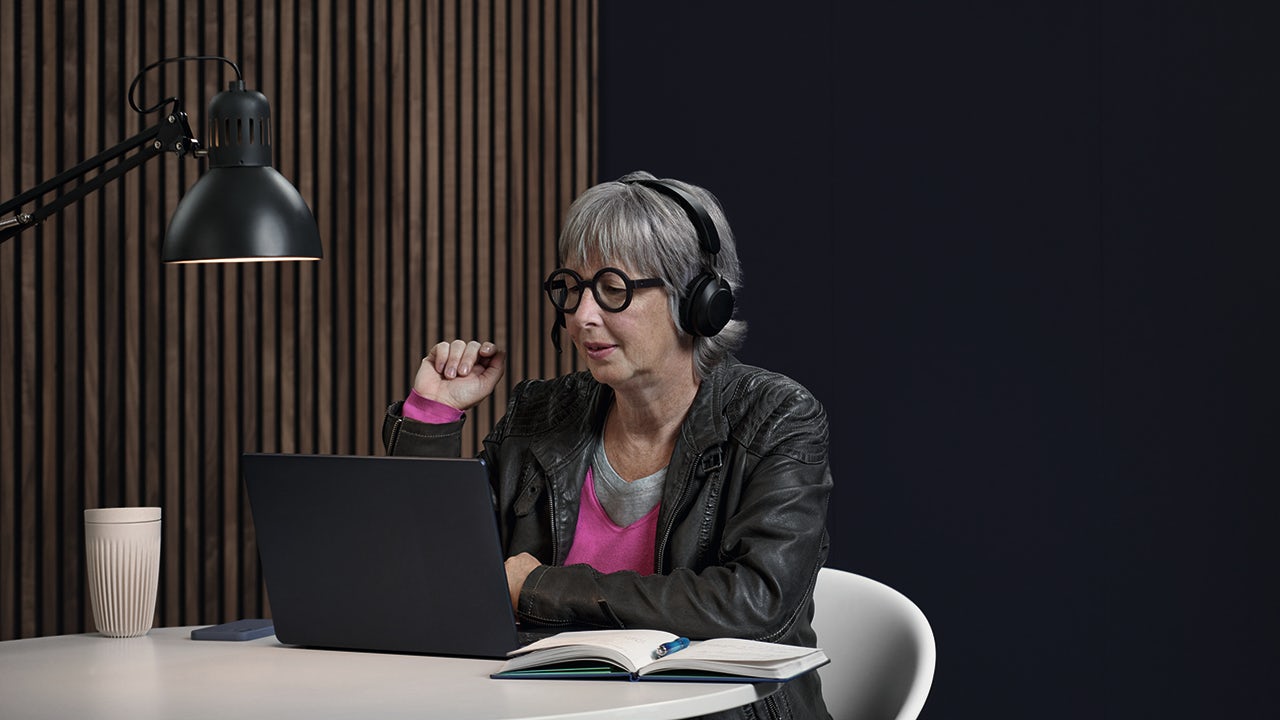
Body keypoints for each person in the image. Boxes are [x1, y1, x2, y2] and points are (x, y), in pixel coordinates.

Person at [382, 171, 833, 720]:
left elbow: (753, 604)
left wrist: (540, 587)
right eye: (571, 288)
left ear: (696, 301)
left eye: (613, 289)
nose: (581, 316)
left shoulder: (776, 417)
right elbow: (435, 573)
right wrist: (434, 415)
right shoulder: (539, 414)